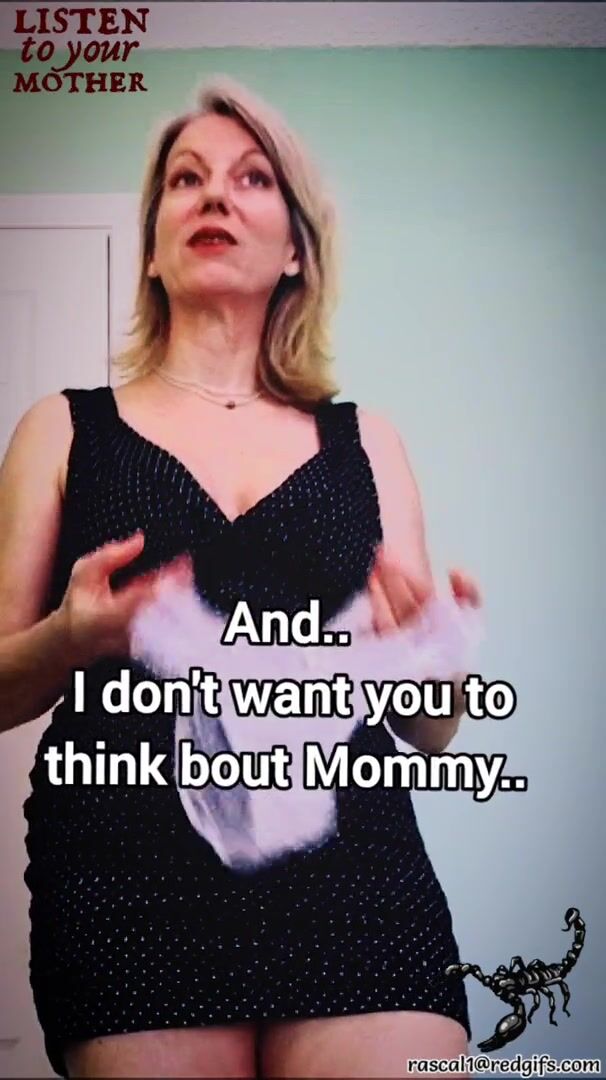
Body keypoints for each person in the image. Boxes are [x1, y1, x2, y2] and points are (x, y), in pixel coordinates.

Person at [0, 76, 482, 1078]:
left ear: (297, 247)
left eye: (253, 178)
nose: (215, 194)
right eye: (187, 179)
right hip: (127, 874)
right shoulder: (62, 430)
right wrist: (69, 640)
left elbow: (432, 729)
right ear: (153, 245)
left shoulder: (368, 443)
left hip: (355, 875)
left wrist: (431, 664)